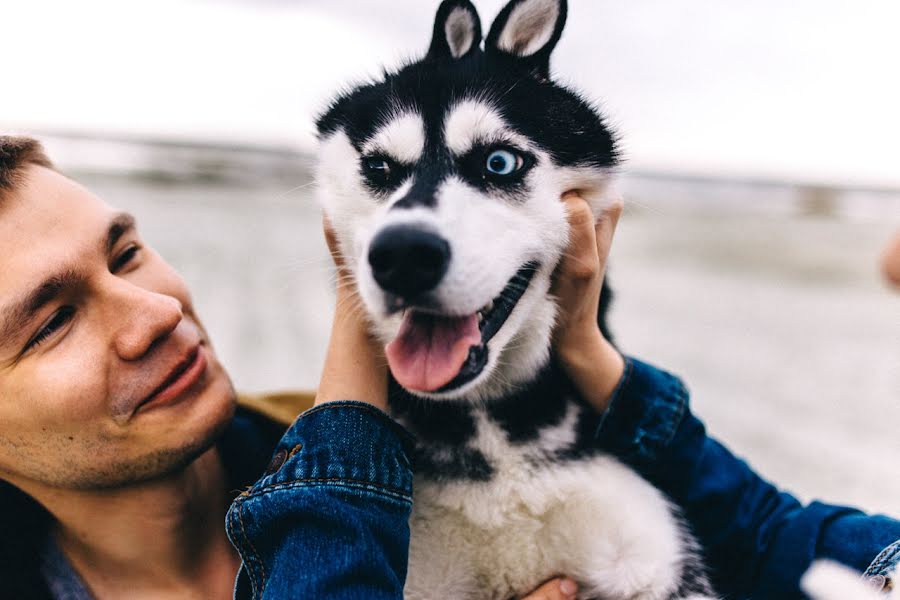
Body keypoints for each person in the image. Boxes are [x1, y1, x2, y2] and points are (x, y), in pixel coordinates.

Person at [0, 135, 897, 599]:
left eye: (125, 255)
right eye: (51, 324)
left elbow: (771, 536)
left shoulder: (452, 458)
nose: (155, 313)